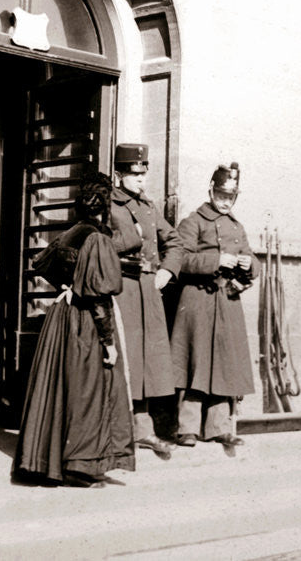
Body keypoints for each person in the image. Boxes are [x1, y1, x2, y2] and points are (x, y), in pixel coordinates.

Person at [13, 172, 135, 488]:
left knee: (64, 389)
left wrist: (68, 286)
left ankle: (51, 461)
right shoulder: (97, 239)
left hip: (63, 318)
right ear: (105, 207)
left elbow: (42, 265)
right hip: (86, 323)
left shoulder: (71, 234)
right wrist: (109, 343)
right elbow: (98, 295)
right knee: (91, 390)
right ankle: (81, 467)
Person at [171, 162, 258, 448]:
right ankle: (187, 428)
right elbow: (178, 259)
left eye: (230, 197)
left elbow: (253, 260)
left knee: (224, 363)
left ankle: (219, 427)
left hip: (227, 300)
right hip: (198, 300)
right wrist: (215, 261)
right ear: (211, 190)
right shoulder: (192, 222)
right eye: (221, 195)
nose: (225, 201)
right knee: (193, 362)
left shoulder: (236, 226)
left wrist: (249, 264)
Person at [110, 143, 185, 459]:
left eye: (144, 174)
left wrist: (167, 271)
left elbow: (176, 242)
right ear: (119, 174)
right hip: (122, 290)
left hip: (149, 293)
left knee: (147, 362)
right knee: (125, 358)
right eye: (135, 174)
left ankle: (143, 429)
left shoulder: (149, 207)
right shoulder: (108, 206)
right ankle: (116, 430)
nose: (142, 180)